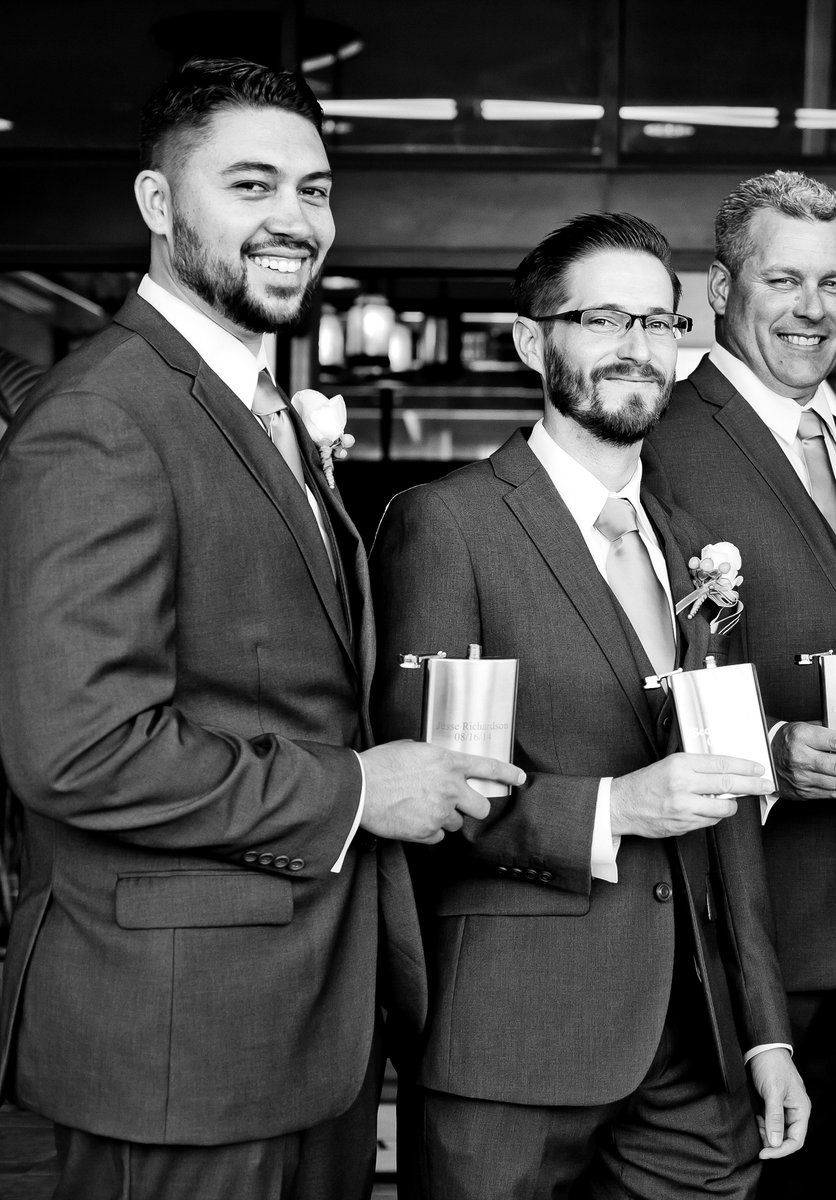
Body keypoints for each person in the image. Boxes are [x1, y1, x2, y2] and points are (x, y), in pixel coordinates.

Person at [0, 57, 521, 1200]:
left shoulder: (257, 404)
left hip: (310, 1030)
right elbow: (76, 750)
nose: (296, 219)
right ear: (158, 203)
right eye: (251, 185)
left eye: (315, 190)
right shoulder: (101, 419)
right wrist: (358, 791)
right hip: (176, 1044)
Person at [370, 211, 808, 1200]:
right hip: (510, 1043)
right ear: (533, 341)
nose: (638, 346)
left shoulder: (694, 546)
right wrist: (616, 809)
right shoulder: (446, 526)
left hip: (694, 1050)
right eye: (604, 319)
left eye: (658, 322)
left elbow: (730, 800)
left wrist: (765, 1031)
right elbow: (421, 798)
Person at [641, 170, 836, 1199]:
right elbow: (609, 669)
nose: (813, 308)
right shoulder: (655, 439)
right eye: (784, 280)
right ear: (722, 289)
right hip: (726, 937)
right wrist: (764, 751)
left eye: (834, 284)